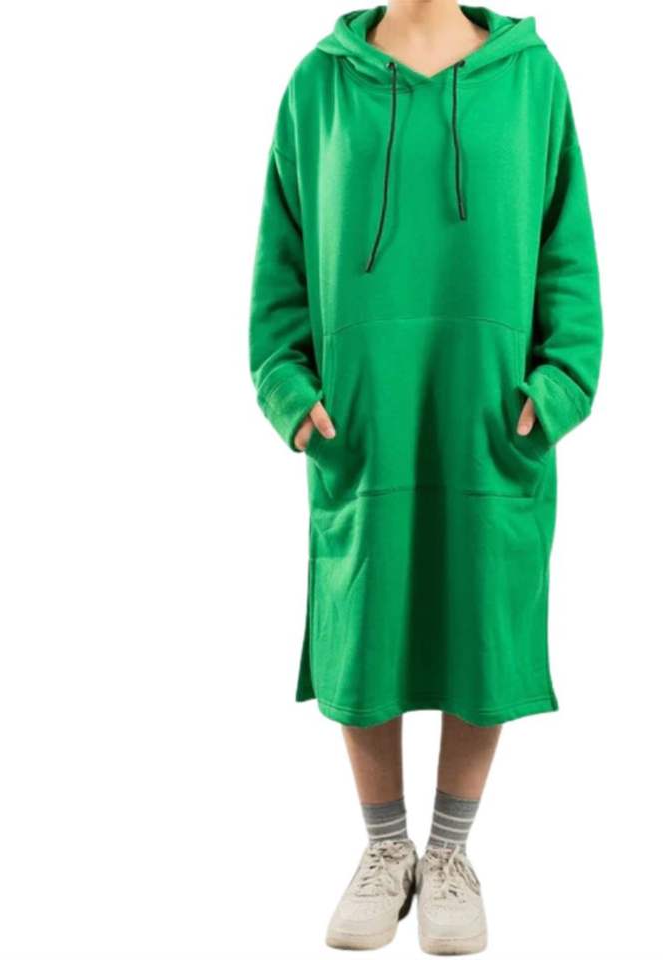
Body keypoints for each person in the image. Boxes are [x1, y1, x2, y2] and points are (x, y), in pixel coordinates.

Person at [249, 1, 603, 953]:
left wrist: (558, 385)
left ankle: (449, 853)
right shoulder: (319, 86)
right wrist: (289, 392)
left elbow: (568, 254)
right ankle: (384, 848)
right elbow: (280, 263)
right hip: (363, 419)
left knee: (481, 615)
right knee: (364, 624)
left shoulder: (531, 81)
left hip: (489, 413)